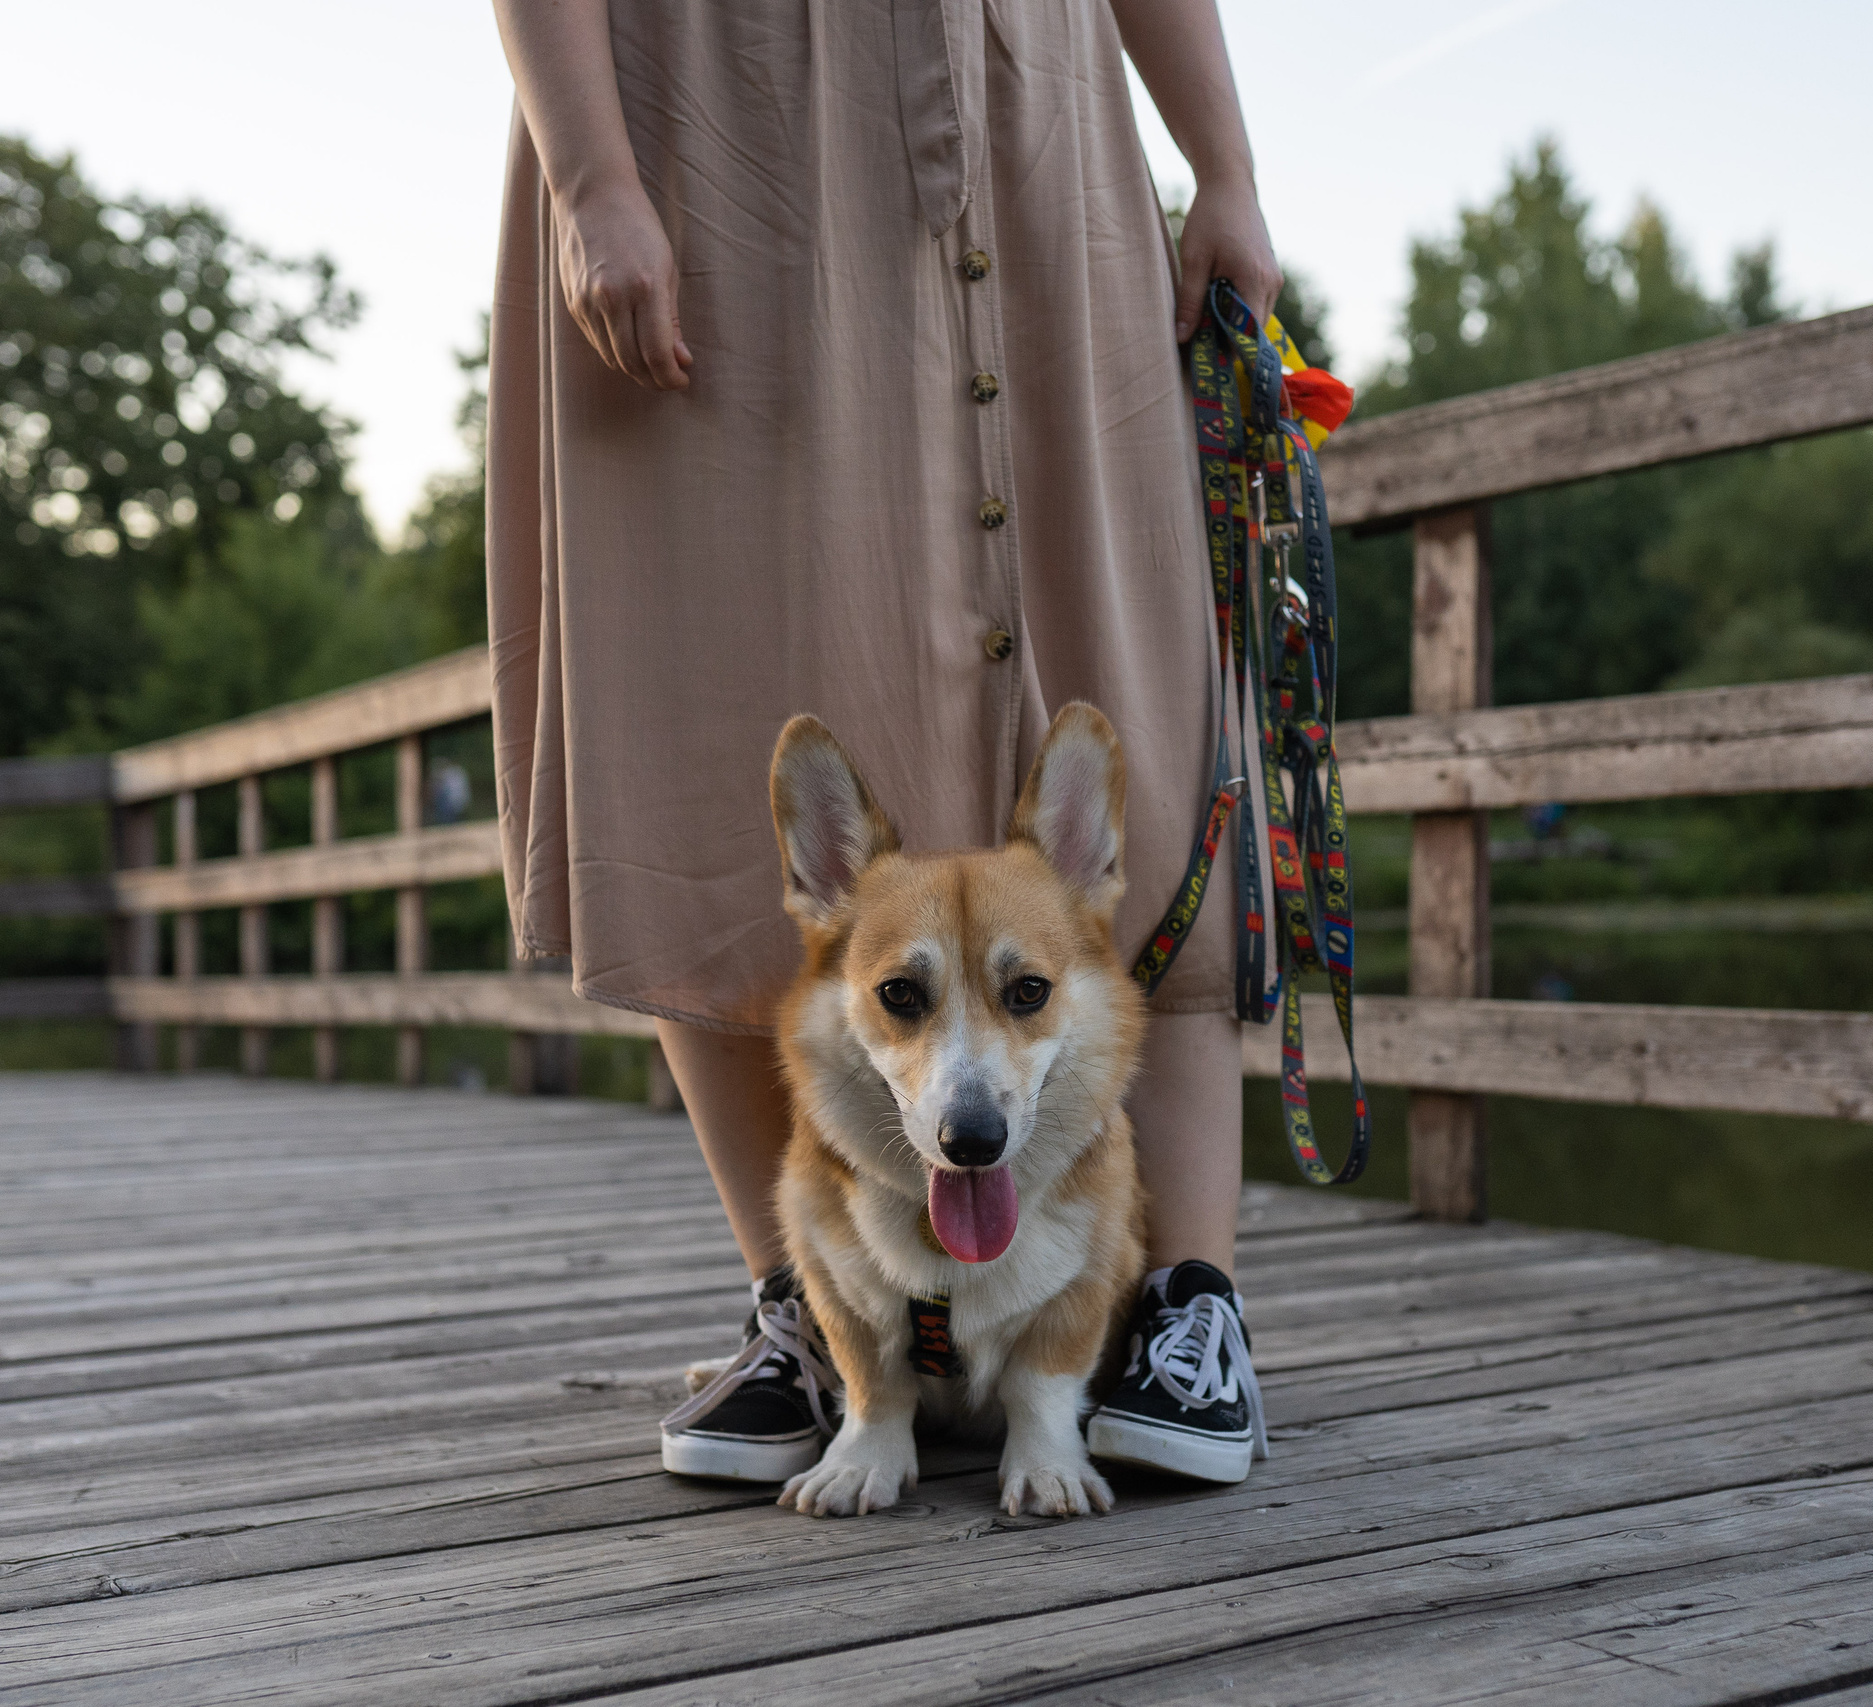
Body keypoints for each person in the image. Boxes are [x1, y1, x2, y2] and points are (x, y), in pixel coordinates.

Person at [486, 0, 1281, 1488]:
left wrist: (1222, 168)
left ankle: (1189, 1302)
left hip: (1040, 123)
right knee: (723, 691)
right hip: (722, 134)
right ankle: (811, 1308)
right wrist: (594, 177)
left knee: (1135, 693)